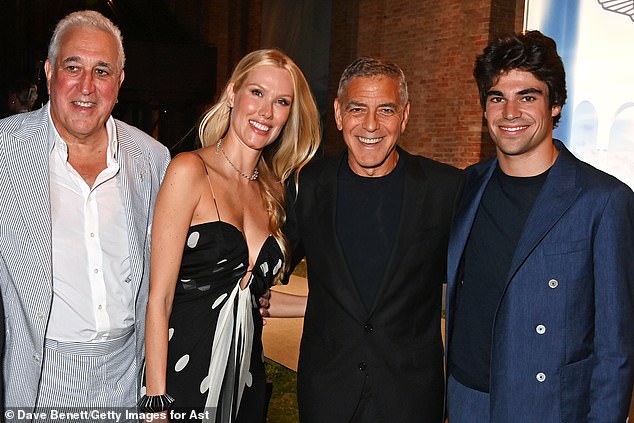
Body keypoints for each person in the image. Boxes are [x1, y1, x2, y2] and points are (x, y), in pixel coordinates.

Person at [445, 30, 634, 422]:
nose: (510, 112)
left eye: (527, 96)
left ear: (556, 106)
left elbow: (616, 348)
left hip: (548, 409)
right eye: (497, 98)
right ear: (484, 109)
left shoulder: (603, 199)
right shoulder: (467, 185)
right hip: (466, 402)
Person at [266, 57, 464, 423]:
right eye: (358, 109)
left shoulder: (446, 189)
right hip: (328, 394)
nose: (370, 125)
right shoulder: (305, 187)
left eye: (385, 110)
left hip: (412, 398)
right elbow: (262, 268)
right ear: (339, 113)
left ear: (404, 116)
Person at [0, 10, 171, 411]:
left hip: (130, 377)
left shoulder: (152, 160)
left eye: (102, 71)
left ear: (120, 81)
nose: (86, 87)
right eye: (72, 67)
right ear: (48, 71)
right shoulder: (6, 151)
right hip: (40, 379)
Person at [142, 49, 321, 421]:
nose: (266, 112)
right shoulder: (189, 171)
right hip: (183, 376)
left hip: (246, 381)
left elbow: (252, 295)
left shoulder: (273, 191)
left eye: (281, 101)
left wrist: (333, 309)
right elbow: (159, 298)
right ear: (232, 94)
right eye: (256, 93)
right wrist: (157, 402)